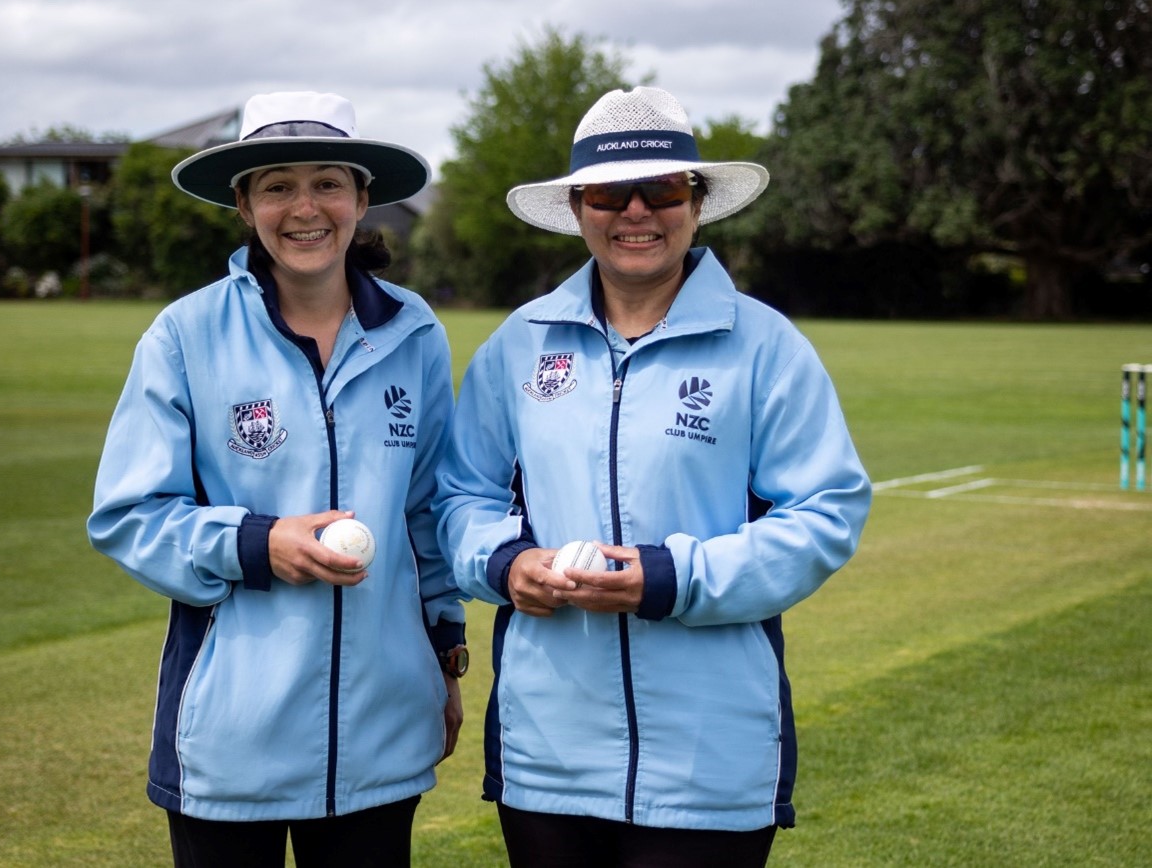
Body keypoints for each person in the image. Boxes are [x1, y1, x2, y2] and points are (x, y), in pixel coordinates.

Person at [434, 86, 871, 867]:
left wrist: (671, 578)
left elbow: (824, 512)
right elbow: (461, 494)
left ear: (696, 203)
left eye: (663, 188)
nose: (637, 211)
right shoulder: (521, 344)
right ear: (578, 208)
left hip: (710, 762)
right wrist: (506, 563)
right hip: (549, 757)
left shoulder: (764, 345)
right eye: (609, 192)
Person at [88, 91, 468, 868]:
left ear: (362, 200)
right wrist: (260, 543)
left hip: (381, 736)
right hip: (233, 741)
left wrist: (446, 654)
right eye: (276, 185)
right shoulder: (186, 334)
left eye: (328, 182)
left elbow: (427, 511)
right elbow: (130, 514)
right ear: (244, 205)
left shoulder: (414, 331)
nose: (306, 207)